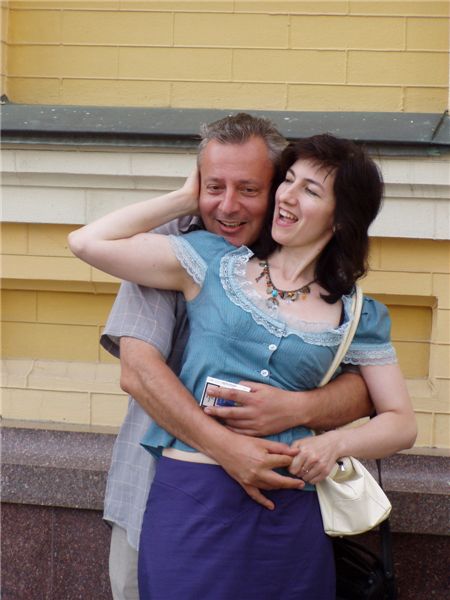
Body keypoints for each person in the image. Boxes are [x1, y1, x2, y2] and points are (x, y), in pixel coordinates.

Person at [69, 132, 416, 598]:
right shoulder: (210, 258)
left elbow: (398, 420)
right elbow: (87, 242)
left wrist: (330, 441)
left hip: (289, 507)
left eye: (309, 190)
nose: (287, 196)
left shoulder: (357, 313)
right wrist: (186, 197)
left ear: (341, 218)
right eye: (288, 181)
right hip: (191, 495)